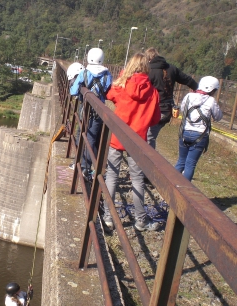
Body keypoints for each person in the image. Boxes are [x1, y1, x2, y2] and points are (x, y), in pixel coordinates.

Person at [103, 53, 161, 232]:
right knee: (137, 180)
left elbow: (110, 94)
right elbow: (155, 119)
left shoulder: (123, 85)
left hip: (117, 137)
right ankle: (141, 221)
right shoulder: (153, 92)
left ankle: (108, 218)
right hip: (138, 140)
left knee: (112, 176)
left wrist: (122, 77)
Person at [70, 48, 113, 179]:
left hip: (86, 109)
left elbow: (73, 91)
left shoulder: (84, 73)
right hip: (99, 110)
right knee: (94, 138)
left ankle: (84, 166)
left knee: (84, 135)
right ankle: (95, 166)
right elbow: (108, 90)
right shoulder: (107, 75)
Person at [145, 47, 198, 149]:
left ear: (148, 59)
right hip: (167, 110)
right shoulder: (172, 68)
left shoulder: (149, 71)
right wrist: (198, 89)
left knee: (148, 138)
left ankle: (147, 161)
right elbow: (187, 79)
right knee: (149, 136)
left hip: (154, 110)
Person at [175, 76, 223, 181]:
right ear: (212, 89)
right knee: (190, 164)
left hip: (185, 132)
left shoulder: (188, 96)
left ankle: (169, 185)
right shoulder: (211, 101)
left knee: (181, 161)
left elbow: (183, 109)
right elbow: (218, 117)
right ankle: (183, 191)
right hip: (200, 136)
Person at [67, 62, 85, 170]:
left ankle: (79, 164)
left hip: (86, 109)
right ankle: (84, 165)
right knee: (88, 138)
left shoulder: (82, 76)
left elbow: (73, 91)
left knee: (81, 135)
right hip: (94, 112)